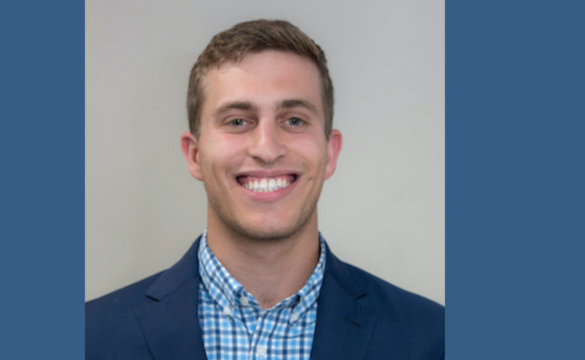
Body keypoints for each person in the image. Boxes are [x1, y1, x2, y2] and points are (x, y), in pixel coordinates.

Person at [86, 19, 444, 360]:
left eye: (293, 120)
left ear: (330, 152)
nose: (267, 148)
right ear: (194, 155)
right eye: (238, 121)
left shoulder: (434, 339)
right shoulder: (89, 338)